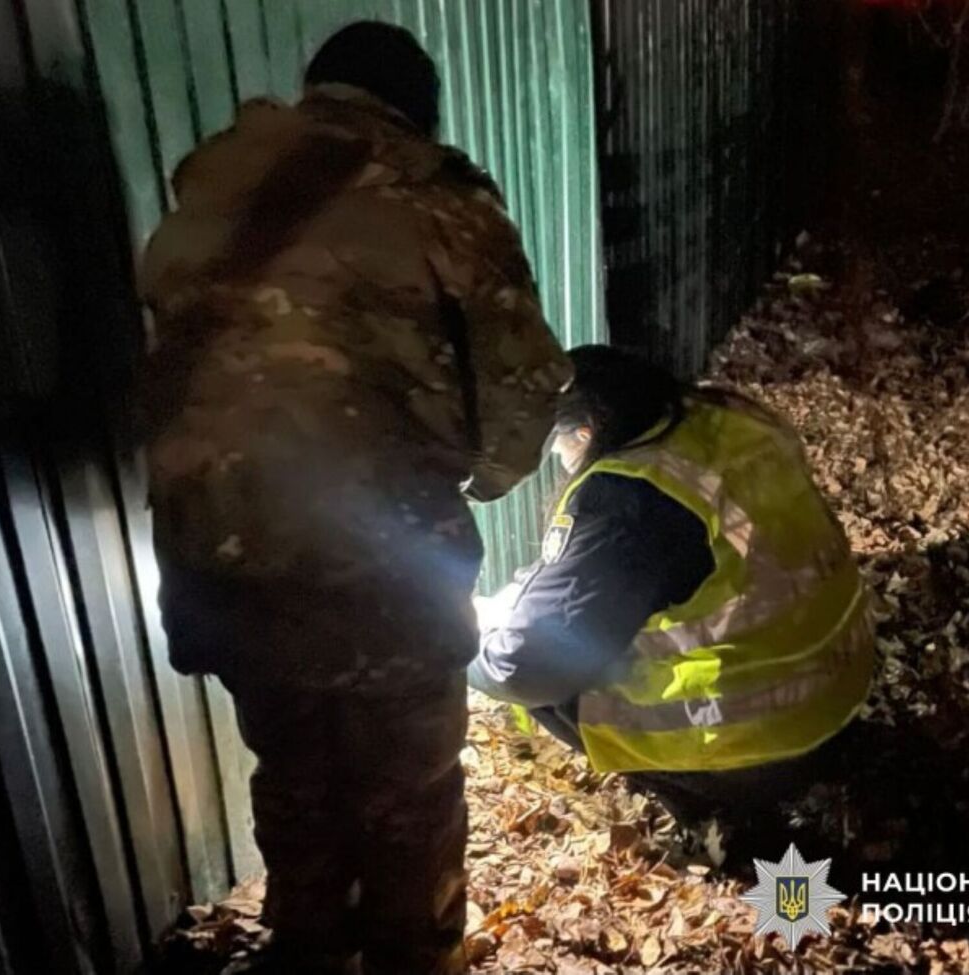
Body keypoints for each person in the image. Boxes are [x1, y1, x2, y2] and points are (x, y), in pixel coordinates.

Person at [139, 22, 569, 975]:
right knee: (406, 788)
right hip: (374, 568)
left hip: (219, 555)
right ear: (420, 107)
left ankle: (310, 952)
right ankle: (412, 955)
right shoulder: (437, 201)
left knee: (294, 773)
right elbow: (520, 400)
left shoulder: (215, 183)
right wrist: (474, 475)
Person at [469, 345, 874, 830]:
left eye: (561, 451)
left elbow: (525, 665)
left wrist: (465, 638)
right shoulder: (720, 422)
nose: (563, 464)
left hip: (761, 747)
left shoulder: (629, 493)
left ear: (586, 432)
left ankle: (702, 799)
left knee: (540, 669)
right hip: (835, 691)